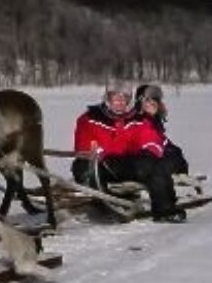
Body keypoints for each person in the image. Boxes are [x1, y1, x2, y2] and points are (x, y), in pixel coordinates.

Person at [71, 80, 186, 222]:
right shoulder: (89, 118)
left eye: (124, 98)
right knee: (82, 166)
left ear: (129, 101)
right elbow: (82, 144)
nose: (119, 101)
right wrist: (100, 155)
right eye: (115, 97)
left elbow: (150, 139)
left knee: (154, 166)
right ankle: (100, 202)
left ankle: (165, 210)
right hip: (101, 163)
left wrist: (149, 152)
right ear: (107, 98)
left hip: (127, 163)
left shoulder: (138, 119)